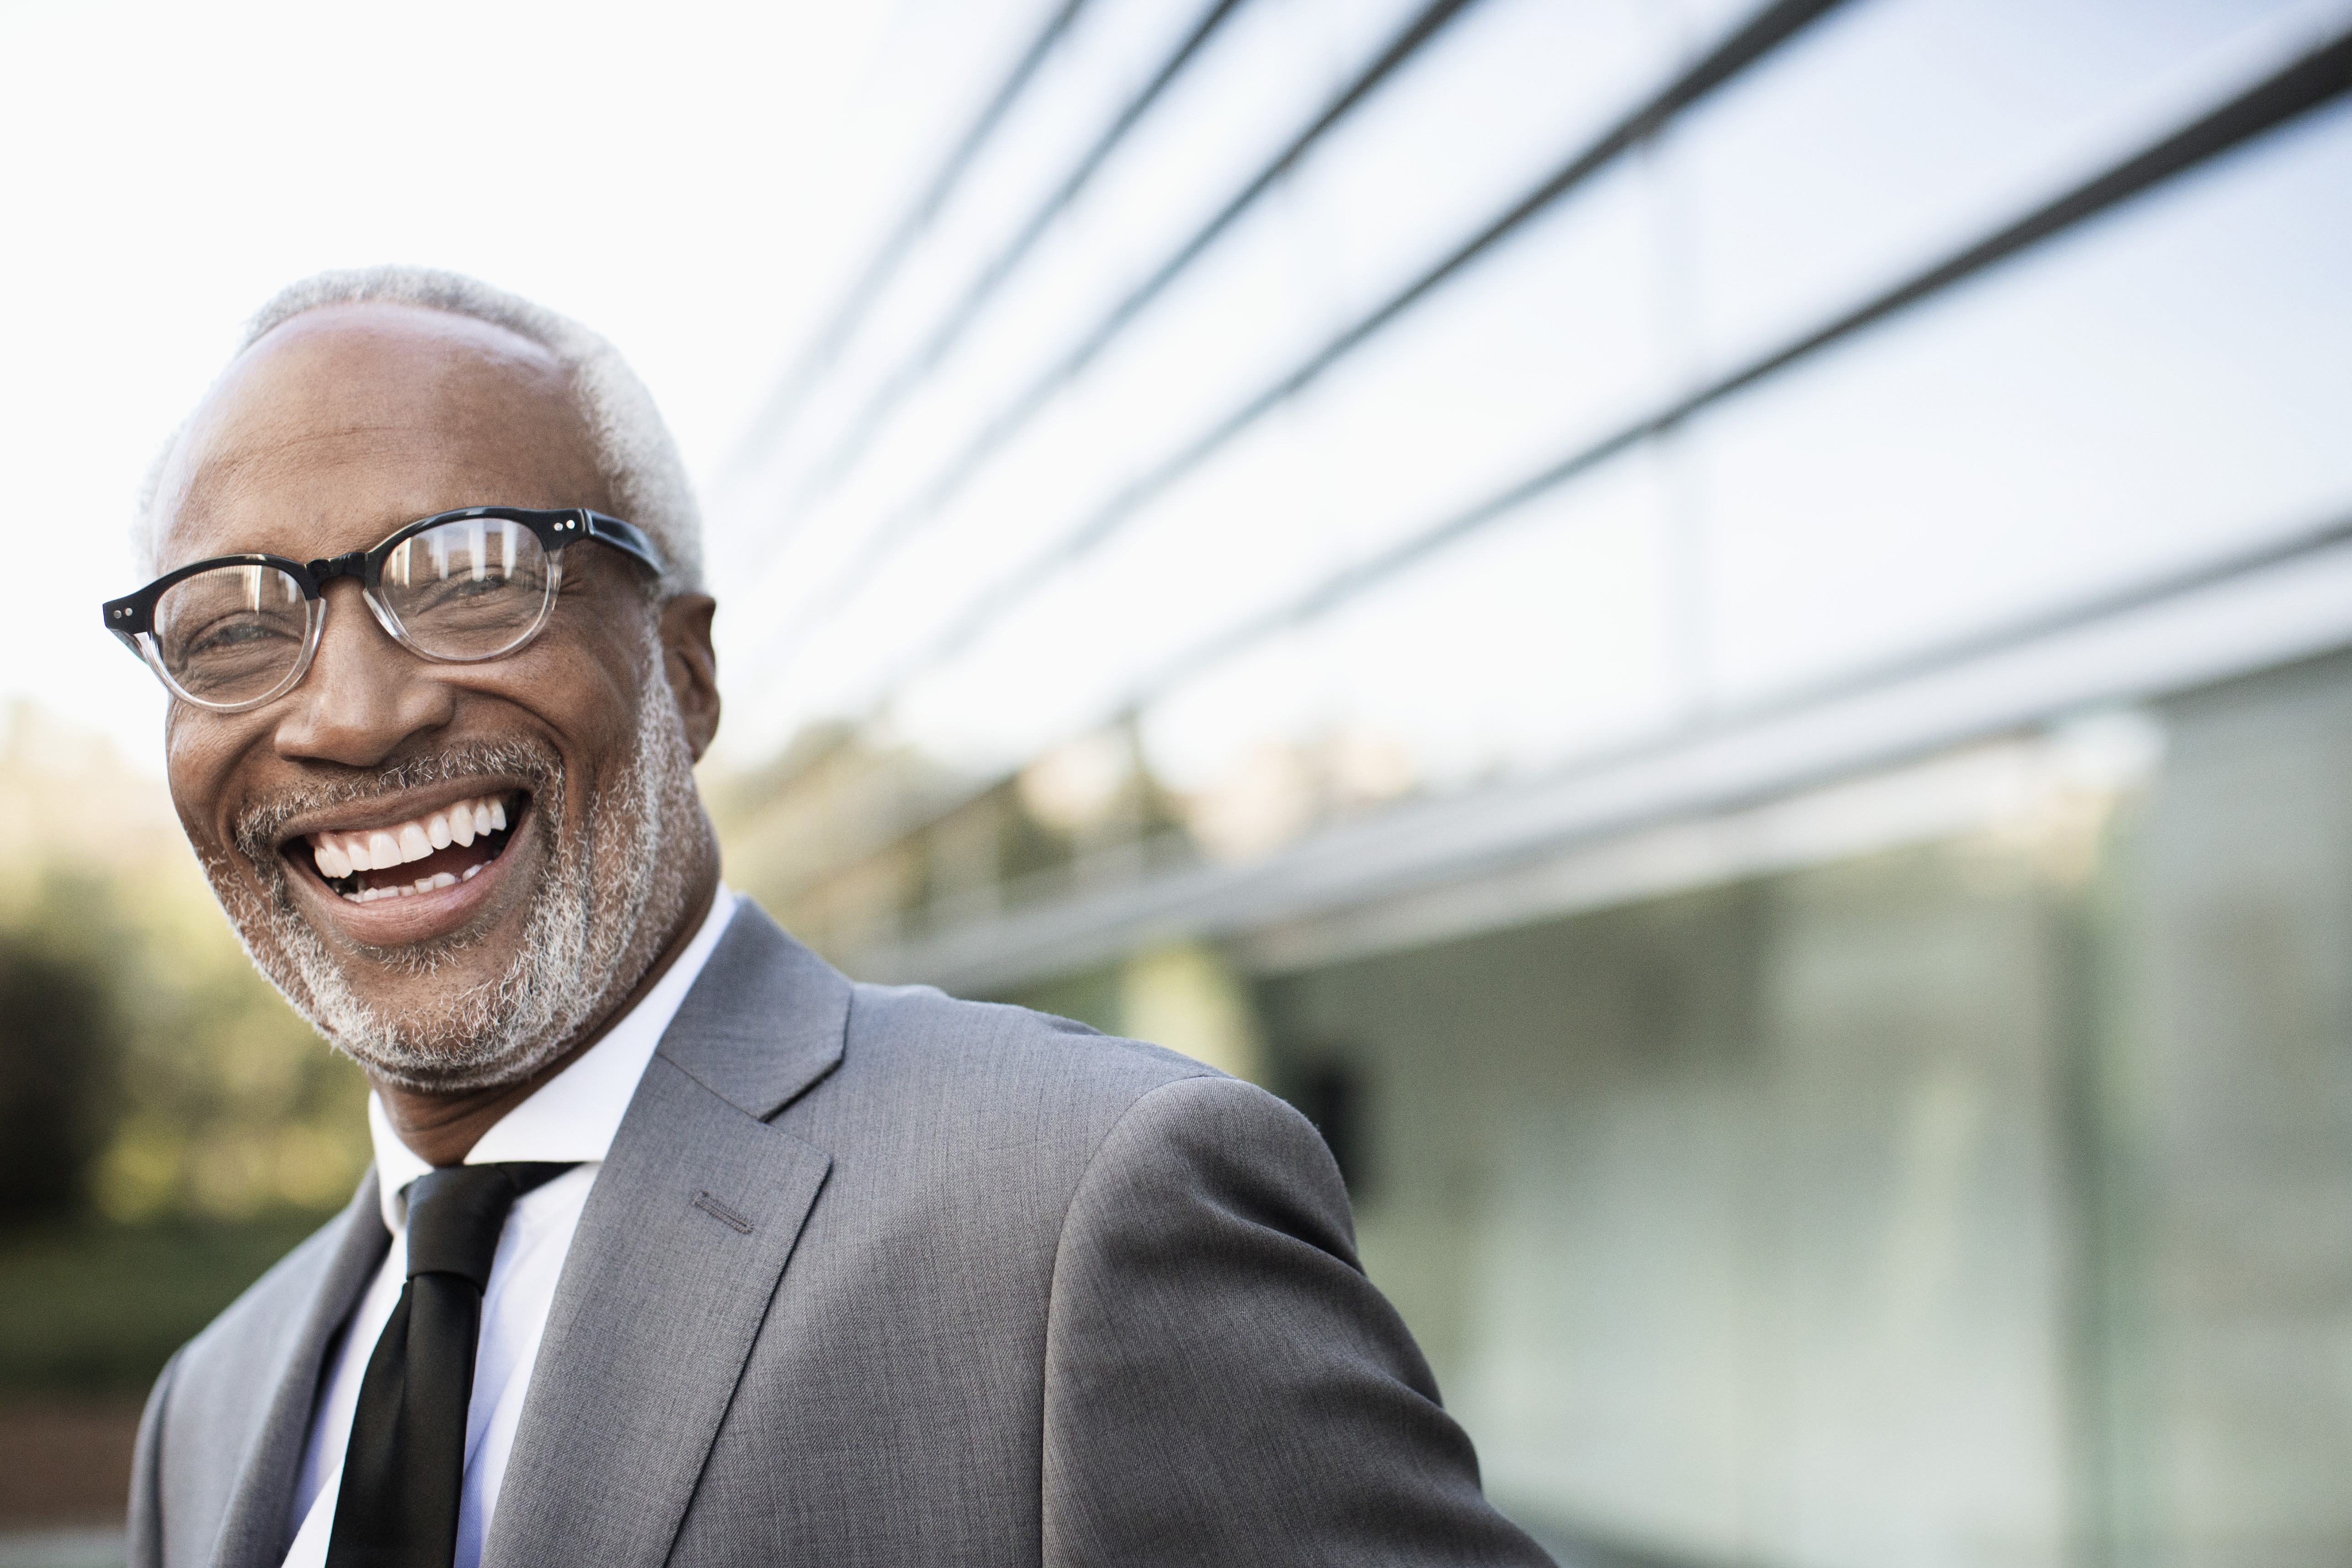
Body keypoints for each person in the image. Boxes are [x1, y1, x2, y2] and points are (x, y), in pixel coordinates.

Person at [111, 267, 1552, 1568]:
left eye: (477, 580)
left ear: (685, 672)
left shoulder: (1083, 1214)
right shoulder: (210, 1408)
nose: (354, 716)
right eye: (231, 629)